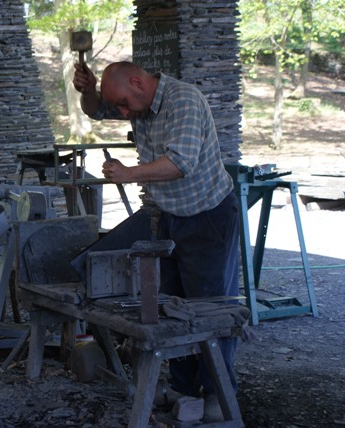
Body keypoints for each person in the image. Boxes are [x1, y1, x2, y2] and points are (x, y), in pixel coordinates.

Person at [73, 61, 240, 418]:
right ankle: (182, 387)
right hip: (168, 217)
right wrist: (88, 91)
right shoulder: (137, 101)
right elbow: (95, 111)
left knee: (210, 309)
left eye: (123, 104)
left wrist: (128, 174)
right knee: (172, 308)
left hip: (208, 215)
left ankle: (217, 396)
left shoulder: (184, 101)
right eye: (118, 106)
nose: (122, 112)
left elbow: (180, 163)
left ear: (137, 82)